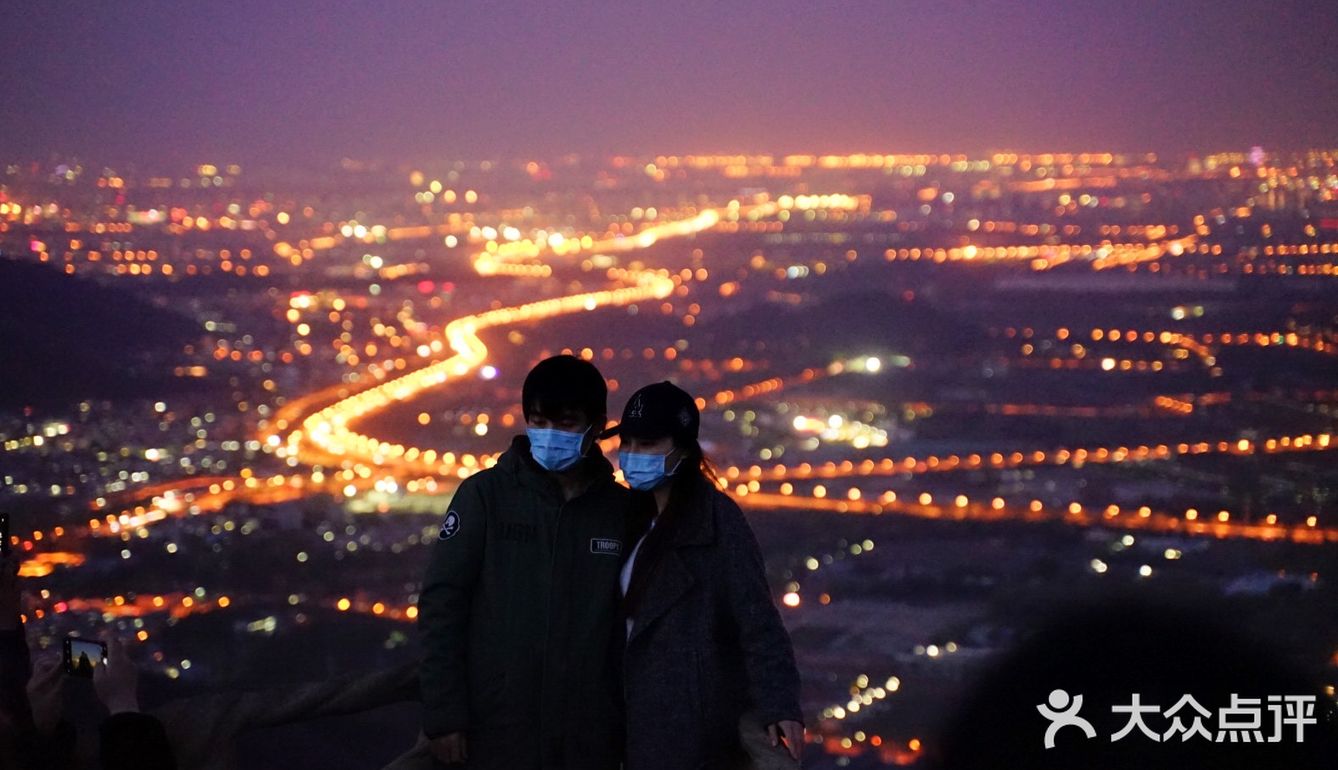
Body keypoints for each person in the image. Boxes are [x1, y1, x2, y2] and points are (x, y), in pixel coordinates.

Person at [417, 355, 634, 768]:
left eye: (566, 423)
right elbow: (442, 606)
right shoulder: (486, 497)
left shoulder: (619, 511)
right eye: (538, 421)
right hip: (498, 729)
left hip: (589, 735)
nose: (550, 435)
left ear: (598, 425)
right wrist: (444, 716)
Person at [608, 381, 804, 770]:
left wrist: (779, 705)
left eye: (647, 445)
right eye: (626, 444)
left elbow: (758, 622)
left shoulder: (718, 523)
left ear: (682, 449)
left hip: (689, 728)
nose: (631, 457)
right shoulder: (623, 517)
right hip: (622, 718)